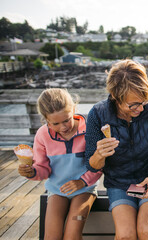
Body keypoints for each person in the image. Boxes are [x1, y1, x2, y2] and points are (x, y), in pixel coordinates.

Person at [85, 59, 148, 240]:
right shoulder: (97, 114)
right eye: (133, 105)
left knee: (147, 230)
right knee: (125, 235)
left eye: (143, 101)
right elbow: (91, 165)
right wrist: (99, 155)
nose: (140, 108)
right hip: (120, 183)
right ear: (116, 97)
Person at [17, 88, 102, 239]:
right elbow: (43, 168)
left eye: (66, 120)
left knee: (72, 235)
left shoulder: (90, 130)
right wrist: (33, 172)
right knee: (51, 237)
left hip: (85, 190)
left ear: (74, 109)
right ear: (45, 120)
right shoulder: (42, 135)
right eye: (55, 123)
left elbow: (99, 165)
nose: (63, 127)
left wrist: (82, 182)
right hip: (57, 191)